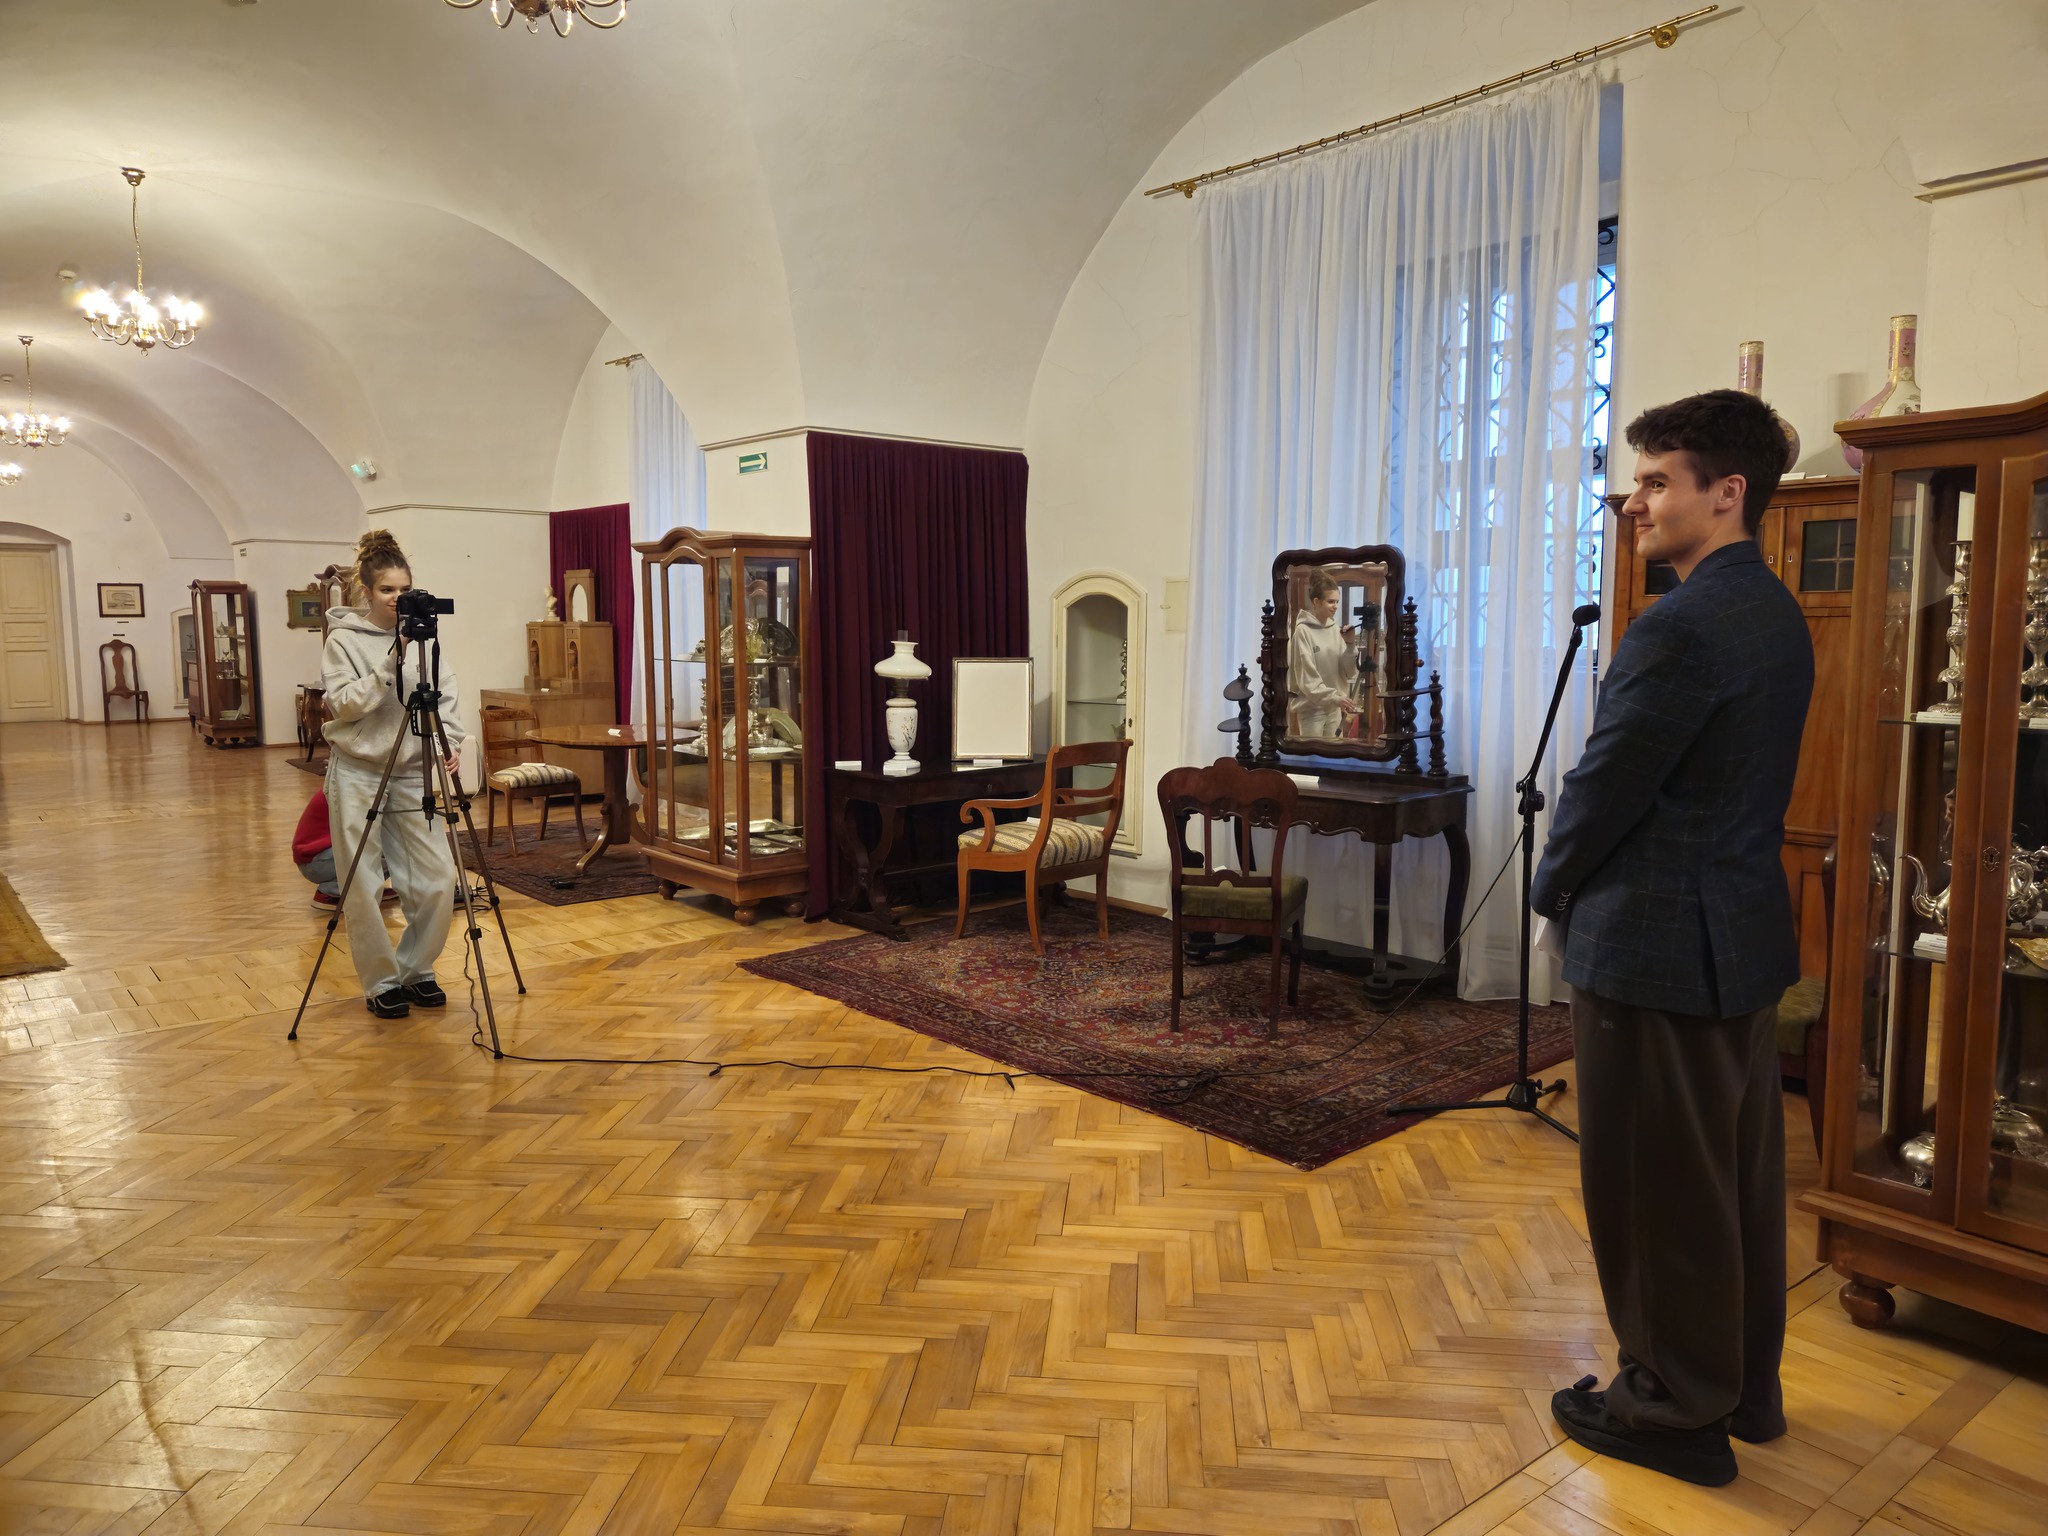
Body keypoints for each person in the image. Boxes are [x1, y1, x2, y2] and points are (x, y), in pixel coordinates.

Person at [1532, 389, 1812, 1488]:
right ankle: (1739, 1392)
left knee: (1653, 1194)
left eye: (1655, 481)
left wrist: (1551, 892)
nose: (1633, 502)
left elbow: (1604, 788)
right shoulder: (1772, 609)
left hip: (1651, 950)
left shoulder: (1680, 624)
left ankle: (1667, 1410)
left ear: (1726, 492)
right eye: (1634, 480)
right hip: (1736, 939)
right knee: (1730, 1187)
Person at [322, 528, 467, 1020]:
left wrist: (450, 743)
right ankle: (381, 982)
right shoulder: (342, 640)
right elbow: (345, 704)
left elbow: (444, 695)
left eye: (404, 589)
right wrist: (393, 658)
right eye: (387, 590)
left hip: (412, 771)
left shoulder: (428, 638)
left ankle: (416, 969)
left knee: (438, 878)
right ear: (366, 591)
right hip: (358, 772)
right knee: (362, 884)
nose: (397, 599)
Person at [1288, 569, 1358, 737]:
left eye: (1337, 601)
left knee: (1334, 753)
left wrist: (1350, 645)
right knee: (1313, 754)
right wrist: (1334, 698)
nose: (1335, 606)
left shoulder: (1334, 629)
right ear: (1316, 601)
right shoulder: (1303, 631)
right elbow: (1307, 679)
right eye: (1331, 601)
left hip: (1334, 709)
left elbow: (1349, 672)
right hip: (1312, 712)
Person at [293, 788, 340, 913]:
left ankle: (363, 887)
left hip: (316, 857)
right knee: (386, 848)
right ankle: (335, 891)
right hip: (316, 861)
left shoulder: (342, 783)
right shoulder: (350, 789)